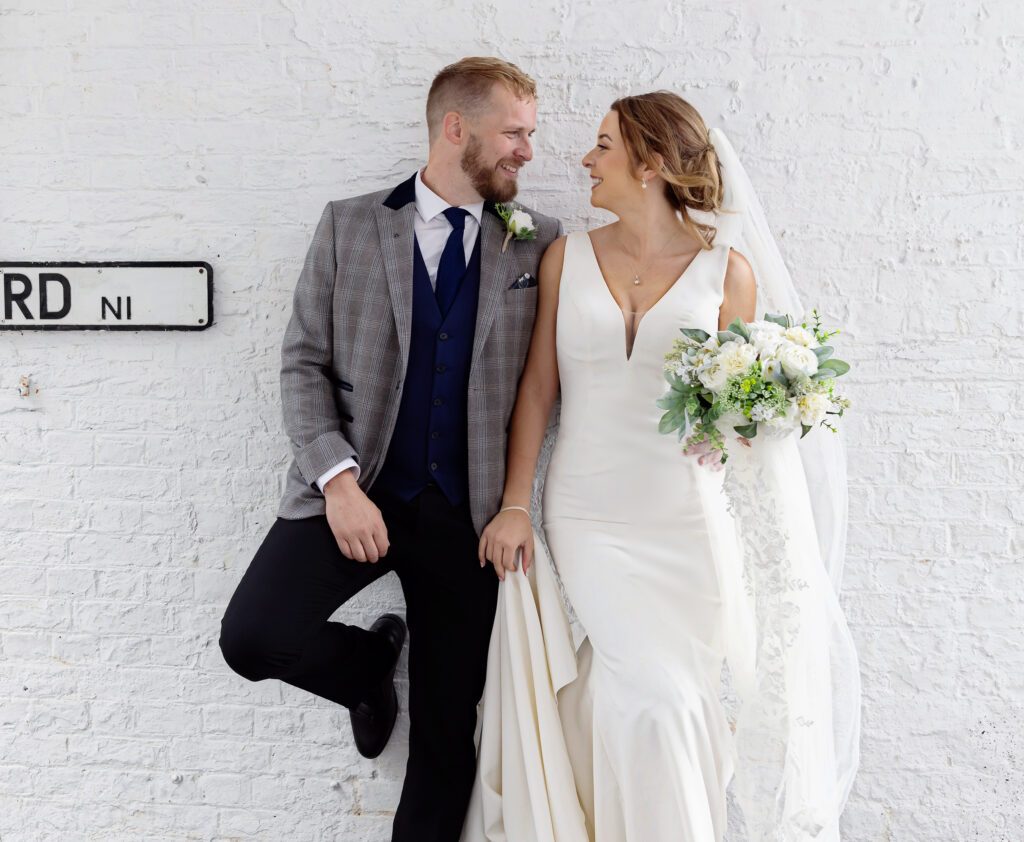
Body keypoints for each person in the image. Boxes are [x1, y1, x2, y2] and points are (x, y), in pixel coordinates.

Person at [463, 92, 860, 841]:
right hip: (587, 515)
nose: (586, 158)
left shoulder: (726, 272)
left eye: (603, 145)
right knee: (657, 697)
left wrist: (761, 411)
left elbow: (742, 421)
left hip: (687, 525)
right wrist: (516, 501)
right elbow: (538, 388)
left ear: (649, 165)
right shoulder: (566, 257)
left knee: (656, 699)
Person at [217, 56, 561, 842]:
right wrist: (337, 481)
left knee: (447, 733)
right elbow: (303, 359)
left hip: (465, 518)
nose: (526, 152)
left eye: (530, 135)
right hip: (358, 491)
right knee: (254, 637)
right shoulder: (350, 223)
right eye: (514, 133)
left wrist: (513, 503)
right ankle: (367, 669)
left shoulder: (540, 243)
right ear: (455, 128)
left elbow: (550, 377)